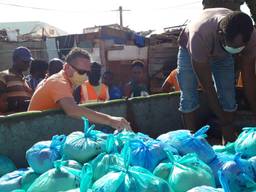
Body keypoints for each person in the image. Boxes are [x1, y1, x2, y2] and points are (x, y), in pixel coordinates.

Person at [177, 9, 256, 143]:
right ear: (221, 35)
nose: (237, 51)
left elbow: (248, 77)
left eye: (240, 47)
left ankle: (228, 142)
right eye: (233, 47)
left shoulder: (252, 37)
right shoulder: (199, 35)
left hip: (222, 55)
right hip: (190, 50)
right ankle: (191, 143)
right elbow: (208, 86)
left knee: (228, 97)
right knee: (189, 97)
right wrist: (223, 119)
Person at [28, 47, 131, 131]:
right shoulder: (59, 81)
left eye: (88, 72)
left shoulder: (70, 82)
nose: (85, 76)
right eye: (82, 72)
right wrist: (111, 120)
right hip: (33, 132)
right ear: (67, 67)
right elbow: (72, 110)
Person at [0, 46, 33, 112]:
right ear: (15, 60)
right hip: (10, 120)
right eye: (25, 61)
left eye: (29, 61)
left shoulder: (25, 81)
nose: (28, 64)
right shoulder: (3, 76)